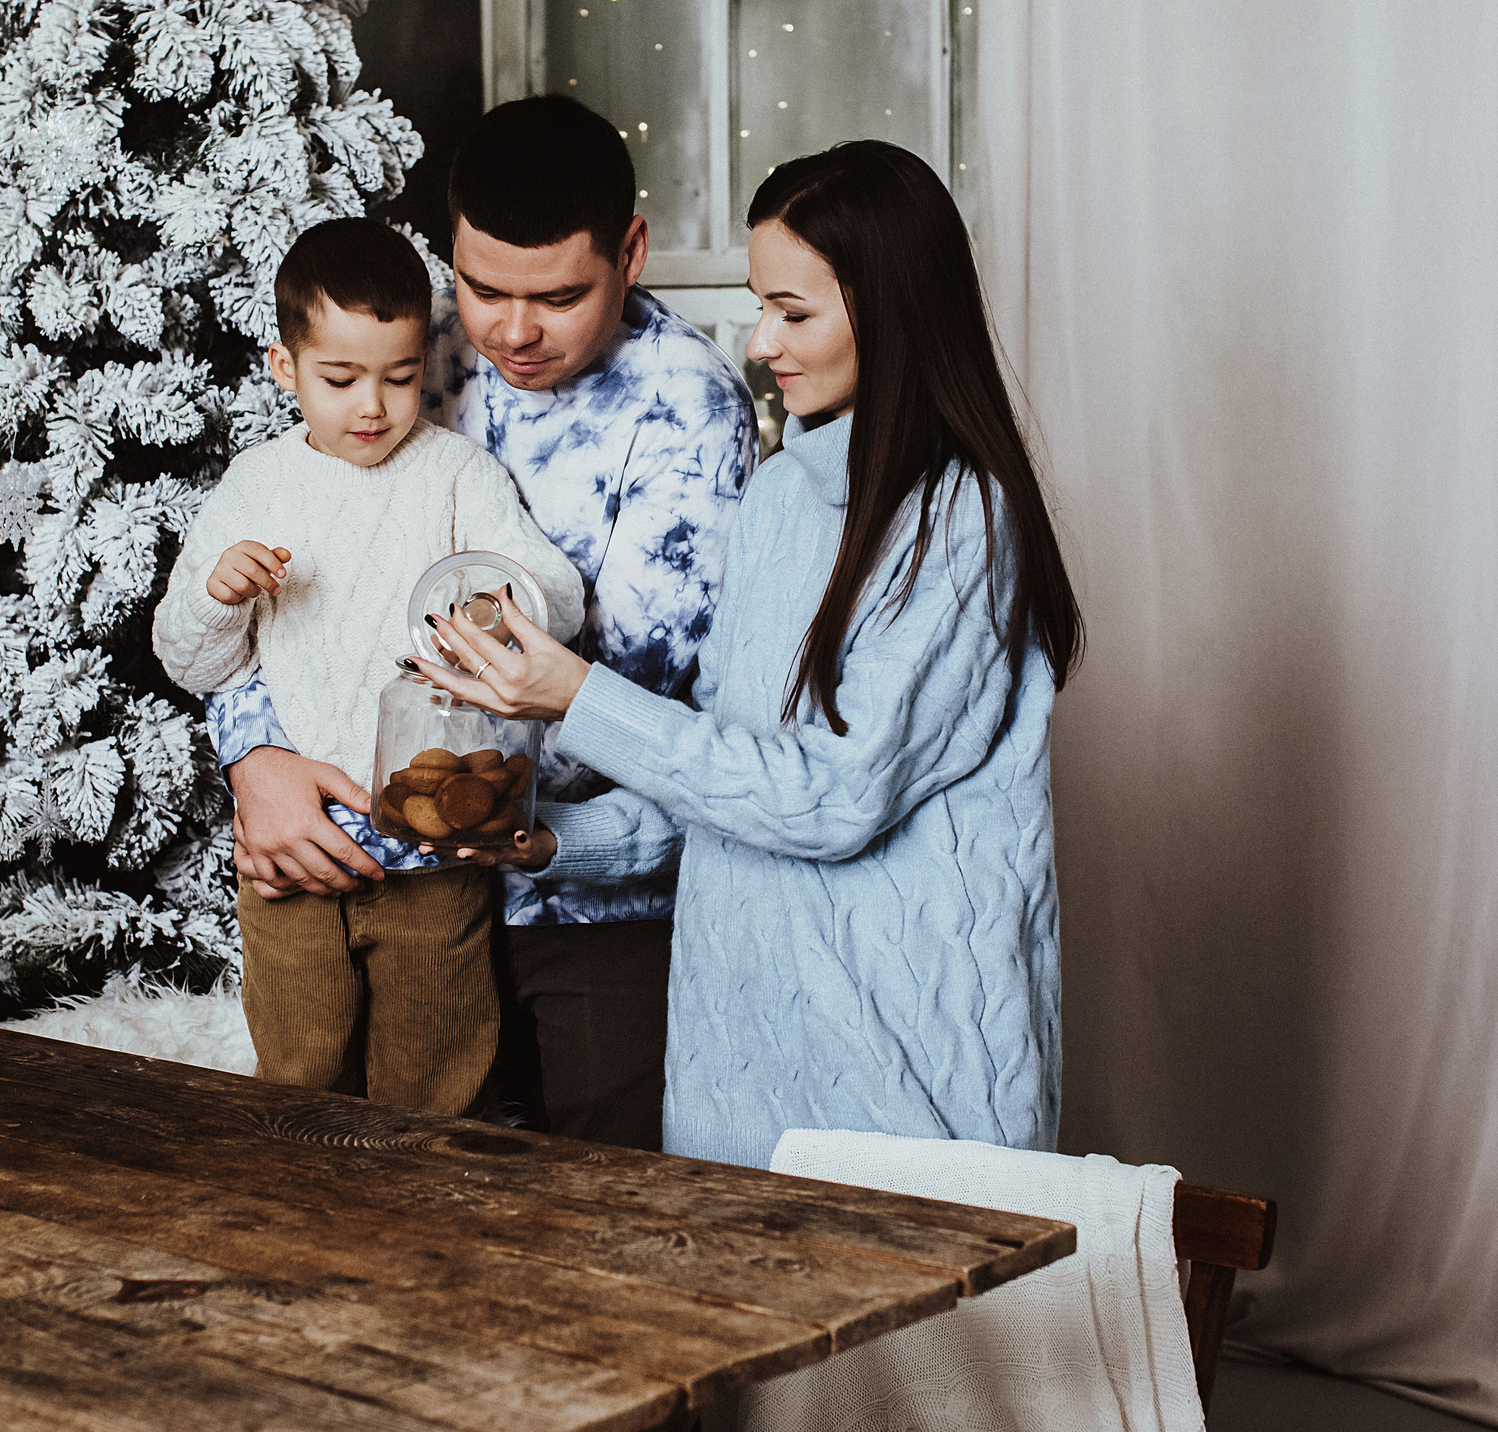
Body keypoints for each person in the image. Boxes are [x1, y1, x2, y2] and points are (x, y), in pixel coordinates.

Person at [409, 140, 1081, 1167]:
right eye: (763, 307)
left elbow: (831, 798)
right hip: (733, 1071)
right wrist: (546, 842)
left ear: (893, 310)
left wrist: (578, 696)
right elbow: (723, 785)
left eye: (793, 314)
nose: (762, 343)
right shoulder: (779, 495)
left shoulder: (959, 520)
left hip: (902, 1077)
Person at [204, 96, 758, 1149]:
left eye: (558, 296)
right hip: (368, 878)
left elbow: (654, 705)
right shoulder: (405, 351)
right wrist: (257, 760)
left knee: (581, 1204)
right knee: (333, 1168)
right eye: (482, 287)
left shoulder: (689, 409)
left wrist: (466, 799)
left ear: (631, 253)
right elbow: (272, 560)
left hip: (583, 915)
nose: (512, 330)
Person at [153, 217, 586, 1114]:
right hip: (296, 858)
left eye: (399, 376)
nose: (374, 407)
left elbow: (556, 595)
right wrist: (216, 595)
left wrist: (497, 596)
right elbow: (192, 662)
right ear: (284, 367)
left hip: (433, 852)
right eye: (341, 378)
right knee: (300, 1075)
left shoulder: (458, 473)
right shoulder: (258, 482)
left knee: (437, 1082)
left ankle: (422, 1200)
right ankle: (304, 1200)